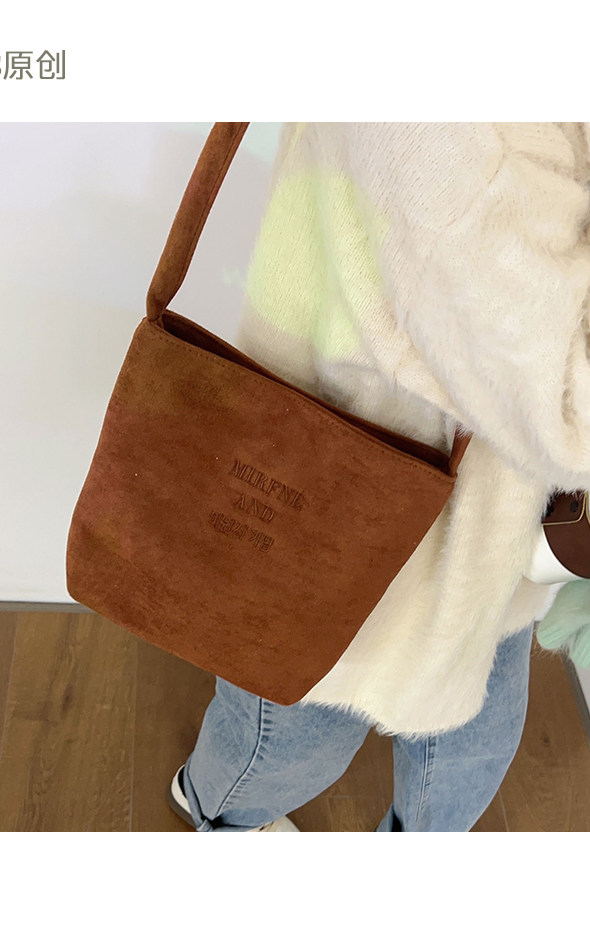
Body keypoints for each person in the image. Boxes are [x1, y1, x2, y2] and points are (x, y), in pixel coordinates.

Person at [165, 122, 590, 832]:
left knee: (470, 741)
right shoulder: (467, 131)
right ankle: (217, 811)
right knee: (290, 734)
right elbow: (561, 406)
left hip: (481, 510)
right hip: (347, 478)